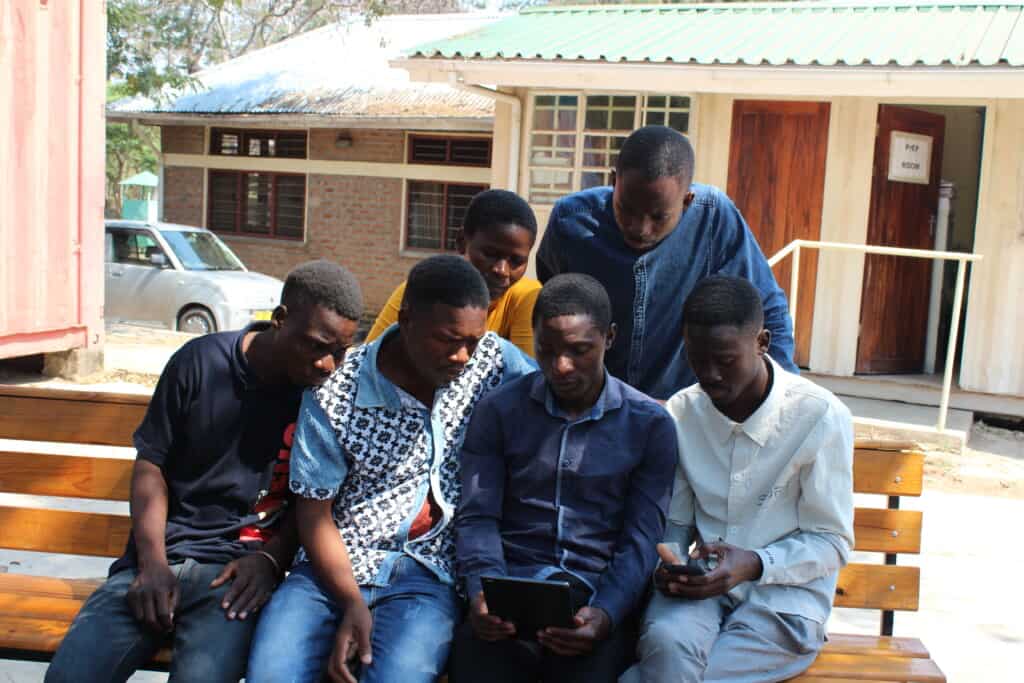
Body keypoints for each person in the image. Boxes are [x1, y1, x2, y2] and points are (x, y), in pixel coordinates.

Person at [45, 260, 364, 683]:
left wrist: (270, 559)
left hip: (234, 576)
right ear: (280, 320)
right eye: (316, 346)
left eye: (340, 352)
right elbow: (151, 465)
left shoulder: (325, 399)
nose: (328, 365)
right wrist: (151, 562)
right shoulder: (201, 362)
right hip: (159, 560)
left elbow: (313, 505)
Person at [246, 255, 537, 683]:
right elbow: (314, 514)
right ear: (407, 320)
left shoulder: (490, 362)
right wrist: (351, 604)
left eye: (473, 341)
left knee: (399, 675)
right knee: (273, 673)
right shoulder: (337, 388)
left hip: (427, 572)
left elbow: (557, 388)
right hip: (330, 569)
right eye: (448, 340)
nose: (462, 356)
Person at [620, 275, 854, 683]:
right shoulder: (683, 411)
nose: (710, 374)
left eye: (726, 360)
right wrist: (671, 564)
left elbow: (832, 541)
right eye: (697, 358)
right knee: (667, 644)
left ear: (762, 342)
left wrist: (754, 563)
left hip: (785, 602)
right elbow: (676, 523)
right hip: (701, 589)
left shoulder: (819, 416)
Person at [450, 274, 678, 683]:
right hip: (508, 591)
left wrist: (606, 614)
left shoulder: (650, 425)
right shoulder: (500, 411)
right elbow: (478, 515)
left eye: (579, 350)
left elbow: (641, 539)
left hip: (593, 598)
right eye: (547, 350)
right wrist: (480, 593)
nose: (561, 366)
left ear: (609, 338)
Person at [537, 125, 797, 400]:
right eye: (627, 210)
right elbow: (552, 311)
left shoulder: (714, 219)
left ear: (687, 201)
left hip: (682, 413)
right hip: (596, 410)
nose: (640, 228)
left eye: (658, 216)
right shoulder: (570, 221)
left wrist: (783, 399)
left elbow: (769, 310)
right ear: (614, 182)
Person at [367, 188, 542, 357]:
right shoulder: (421, 290)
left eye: (516, 261)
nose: (502, 271)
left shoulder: (526, 297)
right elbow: (369, 362)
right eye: (490, 254)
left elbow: (528, 380)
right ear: (461, 242)